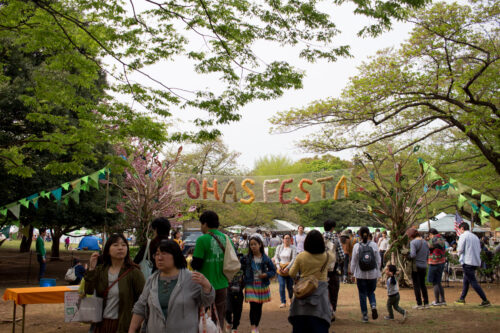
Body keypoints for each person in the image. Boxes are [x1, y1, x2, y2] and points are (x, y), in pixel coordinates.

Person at [129, 240, 215, 332]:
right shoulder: (152, 280)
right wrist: (131, 330)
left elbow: (206, 302)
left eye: (164, 253)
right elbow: (140, 307)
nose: (159, 258)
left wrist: (207, 287)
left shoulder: (191, 278)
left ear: (175, 255)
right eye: (157, 254)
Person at [85, 234, 145, 333]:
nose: (120, 248)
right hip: (102, 324)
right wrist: (91, 268)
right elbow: (88, 290)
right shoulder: (101, 271)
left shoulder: (134, 273)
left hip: (123, 325)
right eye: (116, 245)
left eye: (123, 245)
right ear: (108, 250)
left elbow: (143, 300)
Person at [191, 211, 234, 327]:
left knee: (199, 316)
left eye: (201, 224)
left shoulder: (202, 240)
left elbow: (196, 264)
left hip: (203, 285)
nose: (201, 227)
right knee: (219, 318)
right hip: (222, 284)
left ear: (205, 224)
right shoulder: (227, 239)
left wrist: (191, 260)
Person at [288, 230, 334, 333]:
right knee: (320, 322)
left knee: (300, 324)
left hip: (303, 292)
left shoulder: (301, 256)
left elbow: (291, 273)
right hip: (321, 295)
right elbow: (331, 267)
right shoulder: (327, 256)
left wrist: (298, 278)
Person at [244, 236, 276, 333]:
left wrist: (266, 274)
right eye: (251, 245)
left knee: (259, 307)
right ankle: (253, 327)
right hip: (250, 284)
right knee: (253, 306)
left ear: (260, 245)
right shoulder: (246, 258)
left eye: (255, 244)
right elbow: (240, 267)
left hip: (262, 285)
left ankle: (256, 326)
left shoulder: (265, 258)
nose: (253, 246)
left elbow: (273, 271)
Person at [455, 222, 491, 307]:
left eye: (459, 229)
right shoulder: (475, 237)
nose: (459, 231)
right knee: (466, 280)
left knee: (473, 281)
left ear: (462, 228)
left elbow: (460, 249)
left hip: (468, 261)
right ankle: (462, 298)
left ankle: (485, 300)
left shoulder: (463, 236)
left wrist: (458, 254)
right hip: (475, 261)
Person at [350, 226, 381, 323]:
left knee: (362, 294)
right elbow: (378, 260)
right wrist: (377, 271)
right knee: (371, 292)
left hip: (360, 274)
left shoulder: (356, 246)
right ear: (369, 234)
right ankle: (373, 305)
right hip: (372, 274)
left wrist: (352, 272)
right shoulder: (374, 245)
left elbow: (354, 262)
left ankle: (365, 315)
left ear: (359, 234)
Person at [323, 219, 345, 322]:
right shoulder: (336, 239)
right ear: (332, 228)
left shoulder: (319, 238)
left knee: (322, 291)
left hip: (320, 271)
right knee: (333, 291)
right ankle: (332, 311)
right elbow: (341, 256)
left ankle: (322, 312)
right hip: (332, 270)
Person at [406, 228, 430, 309]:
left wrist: (407, 255)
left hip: (416, 266)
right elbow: (428, 254)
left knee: (416, 285)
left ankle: (419, 303)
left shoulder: (413, 242)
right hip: (424, 266)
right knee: (423, 285)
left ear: (411, 236)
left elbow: (412, 255)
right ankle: (426, 303)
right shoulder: (425, 242)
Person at [272, 233, 297, 308]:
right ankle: (283, 301)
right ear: (283, 239)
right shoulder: (279, 247)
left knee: (290, 286)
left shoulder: (293, 248)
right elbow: (276, 257)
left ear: (291, 239)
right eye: (285, 238)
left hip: (289, 269)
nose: (287, 239)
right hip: (280, 268)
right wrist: (278, 266)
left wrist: (287, 268)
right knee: (281, 285)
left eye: (288, 238)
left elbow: (294, 259)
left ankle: (290, 299)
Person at [225, 253, 248, 333]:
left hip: (239, 292)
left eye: (237, 258)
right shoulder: (226, 267)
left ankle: (235, 327)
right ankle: (228, 321)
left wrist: (243, 284)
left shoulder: (243, 267)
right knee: (227, 309)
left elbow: (247, 276)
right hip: (229, 291)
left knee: (237, 311)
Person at [427, 228, 446, 306]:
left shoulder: (433, 239)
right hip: (442, 261)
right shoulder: (441, 238)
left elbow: (429, 246)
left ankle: (437, 301)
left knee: (435, 282)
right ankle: (443, 300)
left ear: (431, 234)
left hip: (434, 262)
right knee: (438, 281)